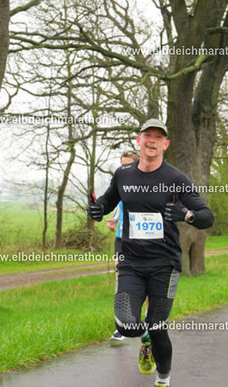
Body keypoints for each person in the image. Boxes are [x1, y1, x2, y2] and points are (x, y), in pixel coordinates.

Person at [87, 119, 214, 387]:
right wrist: (96, 210)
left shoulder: (176, 179)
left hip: (164, 264)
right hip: (130, 261)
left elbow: (206, 216)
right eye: (147, 135)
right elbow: (107, 202)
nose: (152, 140)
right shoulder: (124, 175)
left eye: (158, 137)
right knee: (125, 325)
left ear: (165, 144)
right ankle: (144, 337)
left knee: (157, 326)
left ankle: (163, 378)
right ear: (139, 140)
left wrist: (187, 215)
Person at [107, 150, 141, 343]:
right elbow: (118, 207)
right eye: (122, 165)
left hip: (142, 241)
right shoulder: (119, 183)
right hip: (122, 240)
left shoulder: (147, 185)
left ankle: (148, 320)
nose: (124, 168)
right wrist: (114, 220)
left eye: (128, 164)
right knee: (120, 278)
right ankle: (121, 326)